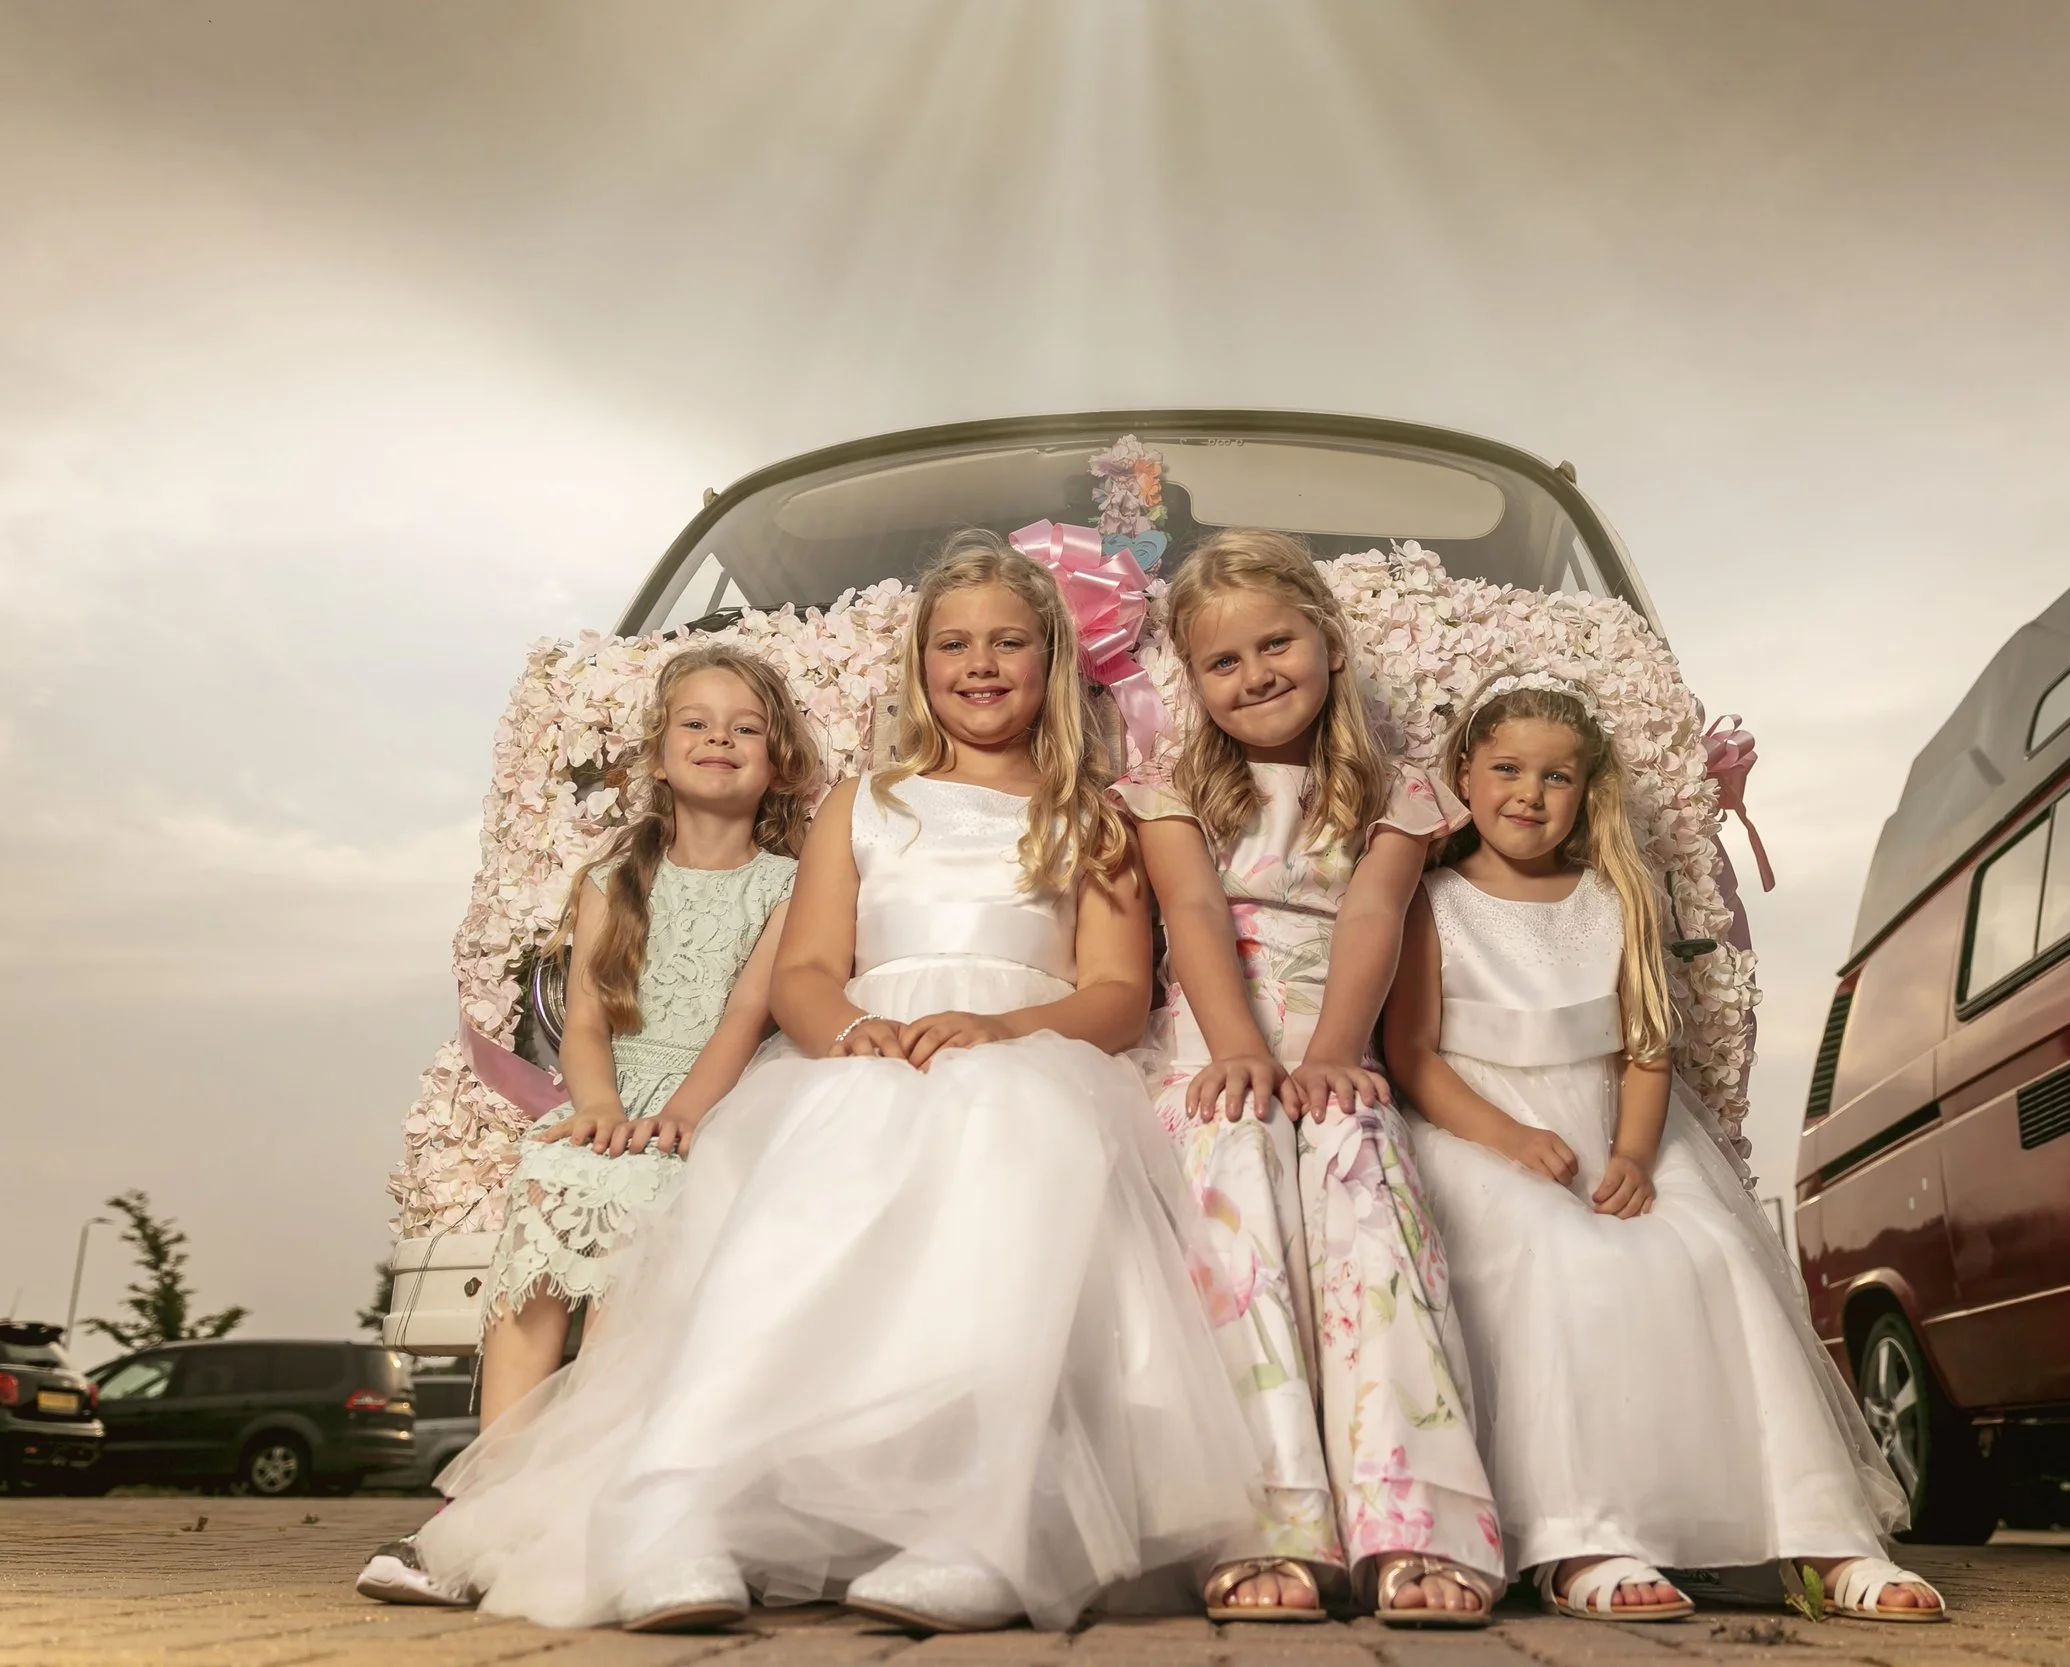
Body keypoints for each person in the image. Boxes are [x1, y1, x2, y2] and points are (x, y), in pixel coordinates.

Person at [411, 530, 1259, 1635]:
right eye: (953, 643)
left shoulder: (1091, 814)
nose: (980, 663)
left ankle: (983, 1517)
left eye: (1009, 642)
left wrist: (999, 1028)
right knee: (802, 1194)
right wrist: (852, 1032)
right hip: (867, 1049)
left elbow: (1113, 991)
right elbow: (805, 970)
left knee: (1016, 1169)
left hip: (1027, 1052)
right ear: (919, 663)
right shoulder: (864, 801)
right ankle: (674, 1500)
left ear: (1051, 661)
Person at [1384, 670, 1943, 1624]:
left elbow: (1647, 1047)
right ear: (1464, 773)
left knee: (1713, 1253)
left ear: (1587, 788)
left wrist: (1635, 1156)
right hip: (1479, 1127)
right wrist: (1510, 1137)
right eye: (1508, 769)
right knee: (1558, 1254)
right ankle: (1580, 1533)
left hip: (1615, 1123)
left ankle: (1819, 1533)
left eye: (1557, 776)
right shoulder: (1431, 899)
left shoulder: (1614, 898)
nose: (1529, 793)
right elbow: (1412, 1055)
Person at [358, 641, 813, 1609]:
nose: (720, 739)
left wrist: (684, 1114)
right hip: (616, 1094)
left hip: (713, 1102)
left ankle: (588, 1497)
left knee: (640, 1220)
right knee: (552, 1187)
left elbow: (745, 1014)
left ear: (778, 761)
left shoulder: (786, 885)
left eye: (745, 727)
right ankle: (487, 1498)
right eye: (696, 723)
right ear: (659, 754)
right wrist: (598, 1106)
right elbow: (588, 1020)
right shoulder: (616, 877)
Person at [1114, 531, 1504, 1628]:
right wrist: (1236, 1046)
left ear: (1330, 642)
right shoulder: (1169, 792)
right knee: (1231, 1162)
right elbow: (1195, 911)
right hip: (1210, 1045)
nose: (1254, 674)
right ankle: (1266, 1516)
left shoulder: (1397, 793)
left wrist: (1333, 1052)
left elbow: (1373, 913)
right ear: (1192, 681)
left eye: (1275, 643)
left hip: (1336, 1039)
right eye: (1221, 661)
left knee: (1358, 1166)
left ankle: (1411, 1517)